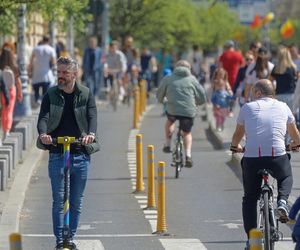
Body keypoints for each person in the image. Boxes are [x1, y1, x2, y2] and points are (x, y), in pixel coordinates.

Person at [36, 56, 100, 250]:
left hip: (80, 153)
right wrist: (44, 134)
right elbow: (43, 117)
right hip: (57, 152)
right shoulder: (51, 94)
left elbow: (92, 116)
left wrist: (90, 134)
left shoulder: (86, 94)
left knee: (76, 200)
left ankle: (70, 237)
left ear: (74, 74)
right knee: (58, 199)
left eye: (65, 73)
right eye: (59, 72)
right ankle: (59, 240)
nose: (60, 76)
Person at [230, 79, 300, 249]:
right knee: (285, 176)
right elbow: (295, 135)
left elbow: (238, 134)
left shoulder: (247, 108)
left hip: (253, 157)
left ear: (259, 93)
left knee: (250, 198)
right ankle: (282, 202)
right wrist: (294, 145)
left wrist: (235, 147)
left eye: (253, 92)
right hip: (277, 155)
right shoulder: (284, 107)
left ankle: (250, 239)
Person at [156, 60, 206, 168]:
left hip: (172, 109)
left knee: (170, 121)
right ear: (189, 68)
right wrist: (198, 103)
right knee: (187, 133)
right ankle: (188, 155)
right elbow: (202, 95)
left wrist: (161, 100)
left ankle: (168, 144)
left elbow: (159, 93)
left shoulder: (168, 78)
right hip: (188, 111)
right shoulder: (192, 79)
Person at [0, 48, 23, 139]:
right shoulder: (14, 66)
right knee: (9, 111)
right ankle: (7, 131)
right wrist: (20, 93)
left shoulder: (0, 65)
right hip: (11, 90)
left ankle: (3, 129)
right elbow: (18, 81)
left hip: (2, 91)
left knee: (3, 111)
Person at [219, 40, 244, 117]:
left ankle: (225, 108)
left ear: (226, 47)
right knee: (233, 95)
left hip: (225, 78)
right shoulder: (238, 55)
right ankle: (231, 110)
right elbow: (242, 66)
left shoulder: (223, 55)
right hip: (235, 78)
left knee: (225, 94)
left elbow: (220, 67)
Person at [29, 35, 56, 105]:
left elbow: (31, 61)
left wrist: (30, 70)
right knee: (45, 91)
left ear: (43, 40)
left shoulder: (36, 49)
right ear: (48, 41)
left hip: (36, 73)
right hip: (46, 74)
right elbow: (54, 62)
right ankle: (44, 102)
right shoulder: (51, 49)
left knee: (36, 89)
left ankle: (37, 99)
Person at [270, 46, 297, 110]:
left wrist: (273, 90)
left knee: (280, 117)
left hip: (279, 95)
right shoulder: (293, 68)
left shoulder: (276, 68)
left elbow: (269, 81)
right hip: (291, 95)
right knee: (291, 117)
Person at [211, 67, 233, 131]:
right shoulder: (214, 82)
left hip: (224, 102)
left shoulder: (226, 82)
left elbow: (229, 89)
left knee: (223, 115)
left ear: (224, 75)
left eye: (222, 74)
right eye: (219, 74)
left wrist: (230, 92)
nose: (220, 76)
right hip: (216, 101)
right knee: (217, 115)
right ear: (216, 75)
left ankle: (221, 123)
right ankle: (218, 125)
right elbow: (211, 91)